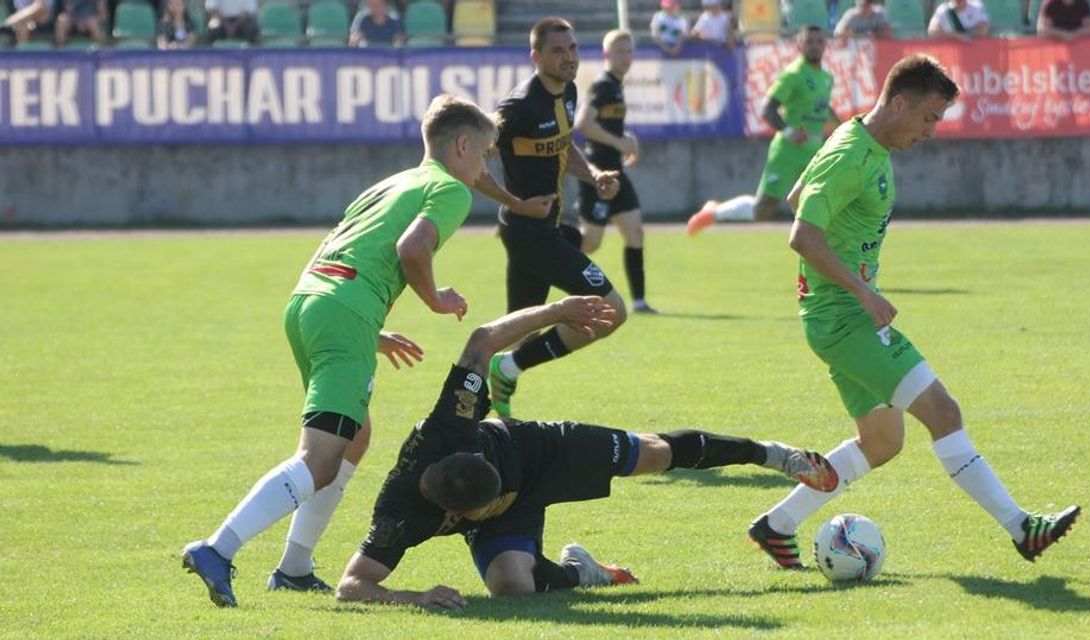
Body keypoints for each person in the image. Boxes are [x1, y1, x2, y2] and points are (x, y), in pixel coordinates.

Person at [746, 54, 1080, 570]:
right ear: (898, 103)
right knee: (943, 412)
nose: (931, 131)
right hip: (844, 318)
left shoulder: (858, 141)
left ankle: (777, 525)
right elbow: (802, 233)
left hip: (834, 316)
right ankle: (1022, 529)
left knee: (881, 443)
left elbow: (798, 196)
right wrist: (863, 291)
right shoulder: (852, 154)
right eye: (928, 117)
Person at [181, 94, 499, 608]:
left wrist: (367, 330)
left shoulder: (391, 183)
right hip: (343, 313)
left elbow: (339, 248)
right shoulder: (449, 189)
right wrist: (437, 300)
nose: (483, 166)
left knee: (354, 436)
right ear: (462, 145)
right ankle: (218, 549)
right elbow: (412, 250)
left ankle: (294, 568)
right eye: (484, 153)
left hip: (309, 302)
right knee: (320, 459)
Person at [334, 296, 840, 607]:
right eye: (485, 509)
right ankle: (585, 571)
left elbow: (483, 338)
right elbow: (352, 585)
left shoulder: (453, 422)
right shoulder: (399, 515)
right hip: (501, 502)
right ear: (453, 515)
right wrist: (415, 598)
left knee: (656, 454)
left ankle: (773, 455)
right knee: (512, 587)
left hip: (538, 451)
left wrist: (557, 312)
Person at [474, 17, 625, 419]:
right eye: (558, 51)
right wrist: (516, 202)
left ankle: (477, 419)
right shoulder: (519, 107)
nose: (569, 57)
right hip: (529, 233)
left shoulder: (569, 92)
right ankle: (508, 370)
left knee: (517, 330)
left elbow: (563, 144)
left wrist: (592, 174)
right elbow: (472, 162)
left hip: (544, 227)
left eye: (573, 48)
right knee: (612, 311)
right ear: (536, 56)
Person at [687, 25, 836, 234]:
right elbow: (767, 110)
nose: (815, 46)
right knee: (763, 210)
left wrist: (845, 128)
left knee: (822, 204)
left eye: (819, 42)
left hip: (814, 152)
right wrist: (790, 132)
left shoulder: (827, 78)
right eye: (809, 42)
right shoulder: (793, 75)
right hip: (788, 152)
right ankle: (714, 212)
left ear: (825, 45)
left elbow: (823, 106)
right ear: (799, 45)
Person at [573, 30, 656, 315]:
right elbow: (583, 124)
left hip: (617, 172)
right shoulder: (604, 85)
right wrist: (621, 142)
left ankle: (640, 302)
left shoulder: (616, 86)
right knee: (590, 242)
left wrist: (626, 139)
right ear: (607, 55)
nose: (626, 57)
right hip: (598, 174)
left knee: (634, 232)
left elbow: (605, 127)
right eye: (620, 51)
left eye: (630, 51)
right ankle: (549, 252)